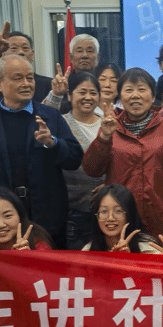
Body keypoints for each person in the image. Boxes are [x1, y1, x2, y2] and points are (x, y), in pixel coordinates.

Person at [0, 54, 83, 249]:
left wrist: (53, 143)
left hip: (46, 219)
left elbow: (74, 159)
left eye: (30, 77)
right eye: (18, 78)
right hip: (0, 223)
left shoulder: (50, 116)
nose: (26, 84)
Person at [82, 67, 163, 239]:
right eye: (129, 90)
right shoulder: (110, 126)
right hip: (120, 217)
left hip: (161, 216)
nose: (135, 95)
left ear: (153, 95)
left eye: (142, 89)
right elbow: (92, 169)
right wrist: (104, 137)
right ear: (120, 96)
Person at [53, 72, 108, 250]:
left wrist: (110, 184)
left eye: (93, 93)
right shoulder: (60, 123)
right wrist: (55, 94)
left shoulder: (109, 124)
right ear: (70, 95)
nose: (88, 97)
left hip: (106, 210)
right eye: (82, 92)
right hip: (72, 213)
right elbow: (40, 120)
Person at [0, 21, 56, 108]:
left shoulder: (48, 84)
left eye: (25, 48)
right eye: (14, 48)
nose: (20, 52)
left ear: (32, 54)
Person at [82, 183, 149, 253]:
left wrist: (128, 258)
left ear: (129, 214)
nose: (110, 218)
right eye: (104, 211)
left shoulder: (147, 250)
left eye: (118, 211)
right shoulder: (87, 250)